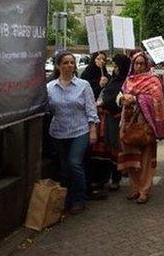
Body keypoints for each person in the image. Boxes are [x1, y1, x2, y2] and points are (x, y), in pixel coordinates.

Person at [47, 51, 99, 215]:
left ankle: (80, 199)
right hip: (58, 132)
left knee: (74, 162)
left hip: (80, 130)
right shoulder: (50, 87)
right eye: (65, 63)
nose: (69, 66)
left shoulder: (83, 85)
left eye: (71, 63)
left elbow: (91, 109)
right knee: (64, 167)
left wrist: (93, 130)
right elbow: (46, 109)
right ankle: (66, 199)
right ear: (58, 66)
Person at [117, 52, 164, 204]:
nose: (139, 67)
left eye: (142, 64)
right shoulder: (128, 80)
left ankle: (144, 190)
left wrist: (137, 98)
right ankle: (134, 188)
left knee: (145, 160)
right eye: (136, 63)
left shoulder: (154, 81)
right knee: (131, 158)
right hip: (128, 125)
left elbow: (158, 101)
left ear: (147, 65)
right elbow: (119, 96)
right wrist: (122, 99)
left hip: (146, 125)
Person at [88, 53, 132, 193]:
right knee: (102, 150)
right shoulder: (111, 79)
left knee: (115, 148)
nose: (115, 68)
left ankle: (116, 178)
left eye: (117, 65)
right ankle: (101, 179)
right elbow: (103, 93)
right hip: (103, 120)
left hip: (116, 120)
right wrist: (101, 87)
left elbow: (119, 101)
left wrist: (107, 102)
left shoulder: (127, 82)